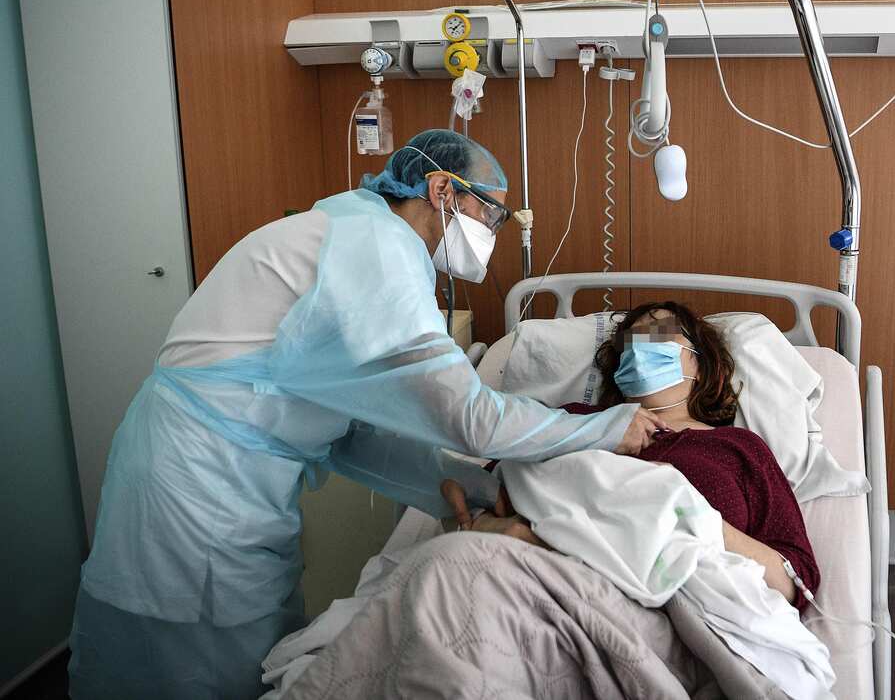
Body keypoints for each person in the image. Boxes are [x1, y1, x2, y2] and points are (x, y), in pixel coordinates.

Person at [67, 130, 667, 700]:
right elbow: (470, 417)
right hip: (196, 486)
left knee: (237, 660)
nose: (494, 232)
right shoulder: (377, 250)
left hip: (223, 475)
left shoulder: (360, 232)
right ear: (441, 191)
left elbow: (347, 437)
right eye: (492, 214)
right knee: (175, 663)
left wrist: (472, 488)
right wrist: (605, 426)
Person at [445, 301, 820, 610]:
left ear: (701, 364)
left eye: (659, 333)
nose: (640, 346)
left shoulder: (738, 448)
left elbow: (797, 582)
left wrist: (694, 523)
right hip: (538, 584)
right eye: (630, 342)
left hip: (677, 607)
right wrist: (488, 526)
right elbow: (488, 490)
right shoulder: (574, 420)